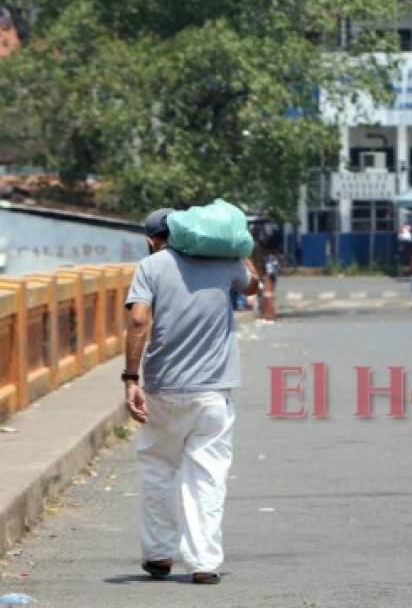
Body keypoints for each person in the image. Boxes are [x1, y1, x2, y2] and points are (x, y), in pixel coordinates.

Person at [123, 207, 259, 584]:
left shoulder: (150, 267)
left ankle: (159, 555)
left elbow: (138, 320)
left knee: (158, 470)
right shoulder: (224, 264)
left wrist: (130, 377)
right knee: (208, 475)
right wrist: (238, 246)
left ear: (153, 239)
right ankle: (203, 563)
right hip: (213, 391)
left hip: (162, 388)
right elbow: (254, 285)